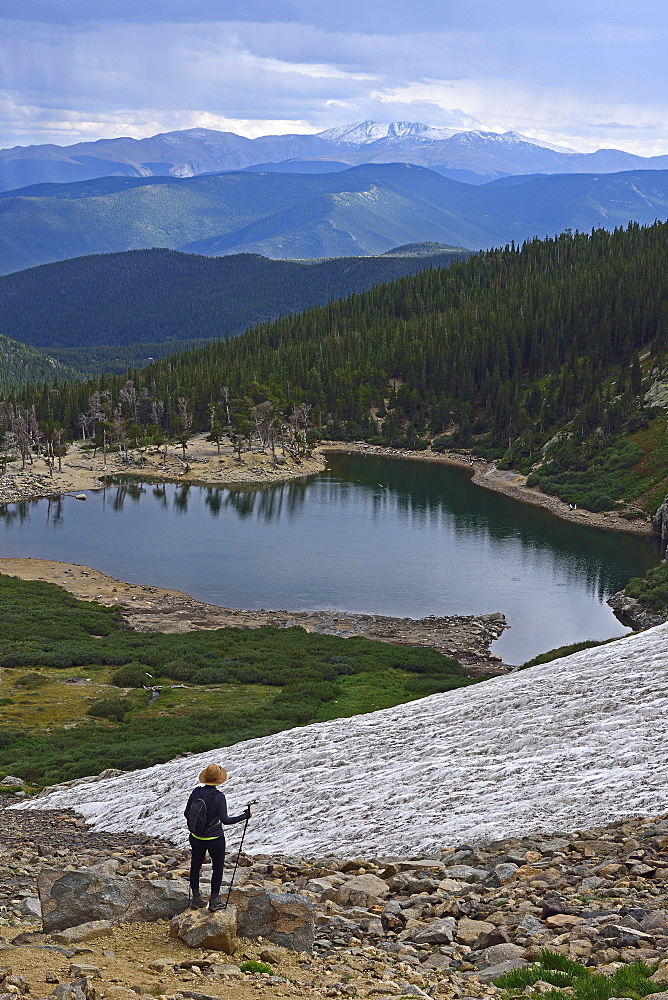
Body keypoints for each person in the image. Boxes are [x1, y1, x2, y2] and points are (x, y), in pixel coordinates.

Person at [184, 762, 251, 911]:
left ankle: (196, 898)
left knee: (195, 866)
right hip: (215, 838)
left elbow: (186, 813)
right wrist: (244, 816)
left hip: (196, 837)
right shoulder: (219, 796)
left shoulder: (196, 792)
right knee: (218, 868)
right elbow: (226, 820)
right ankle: (214, 902)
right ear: (218, 780)